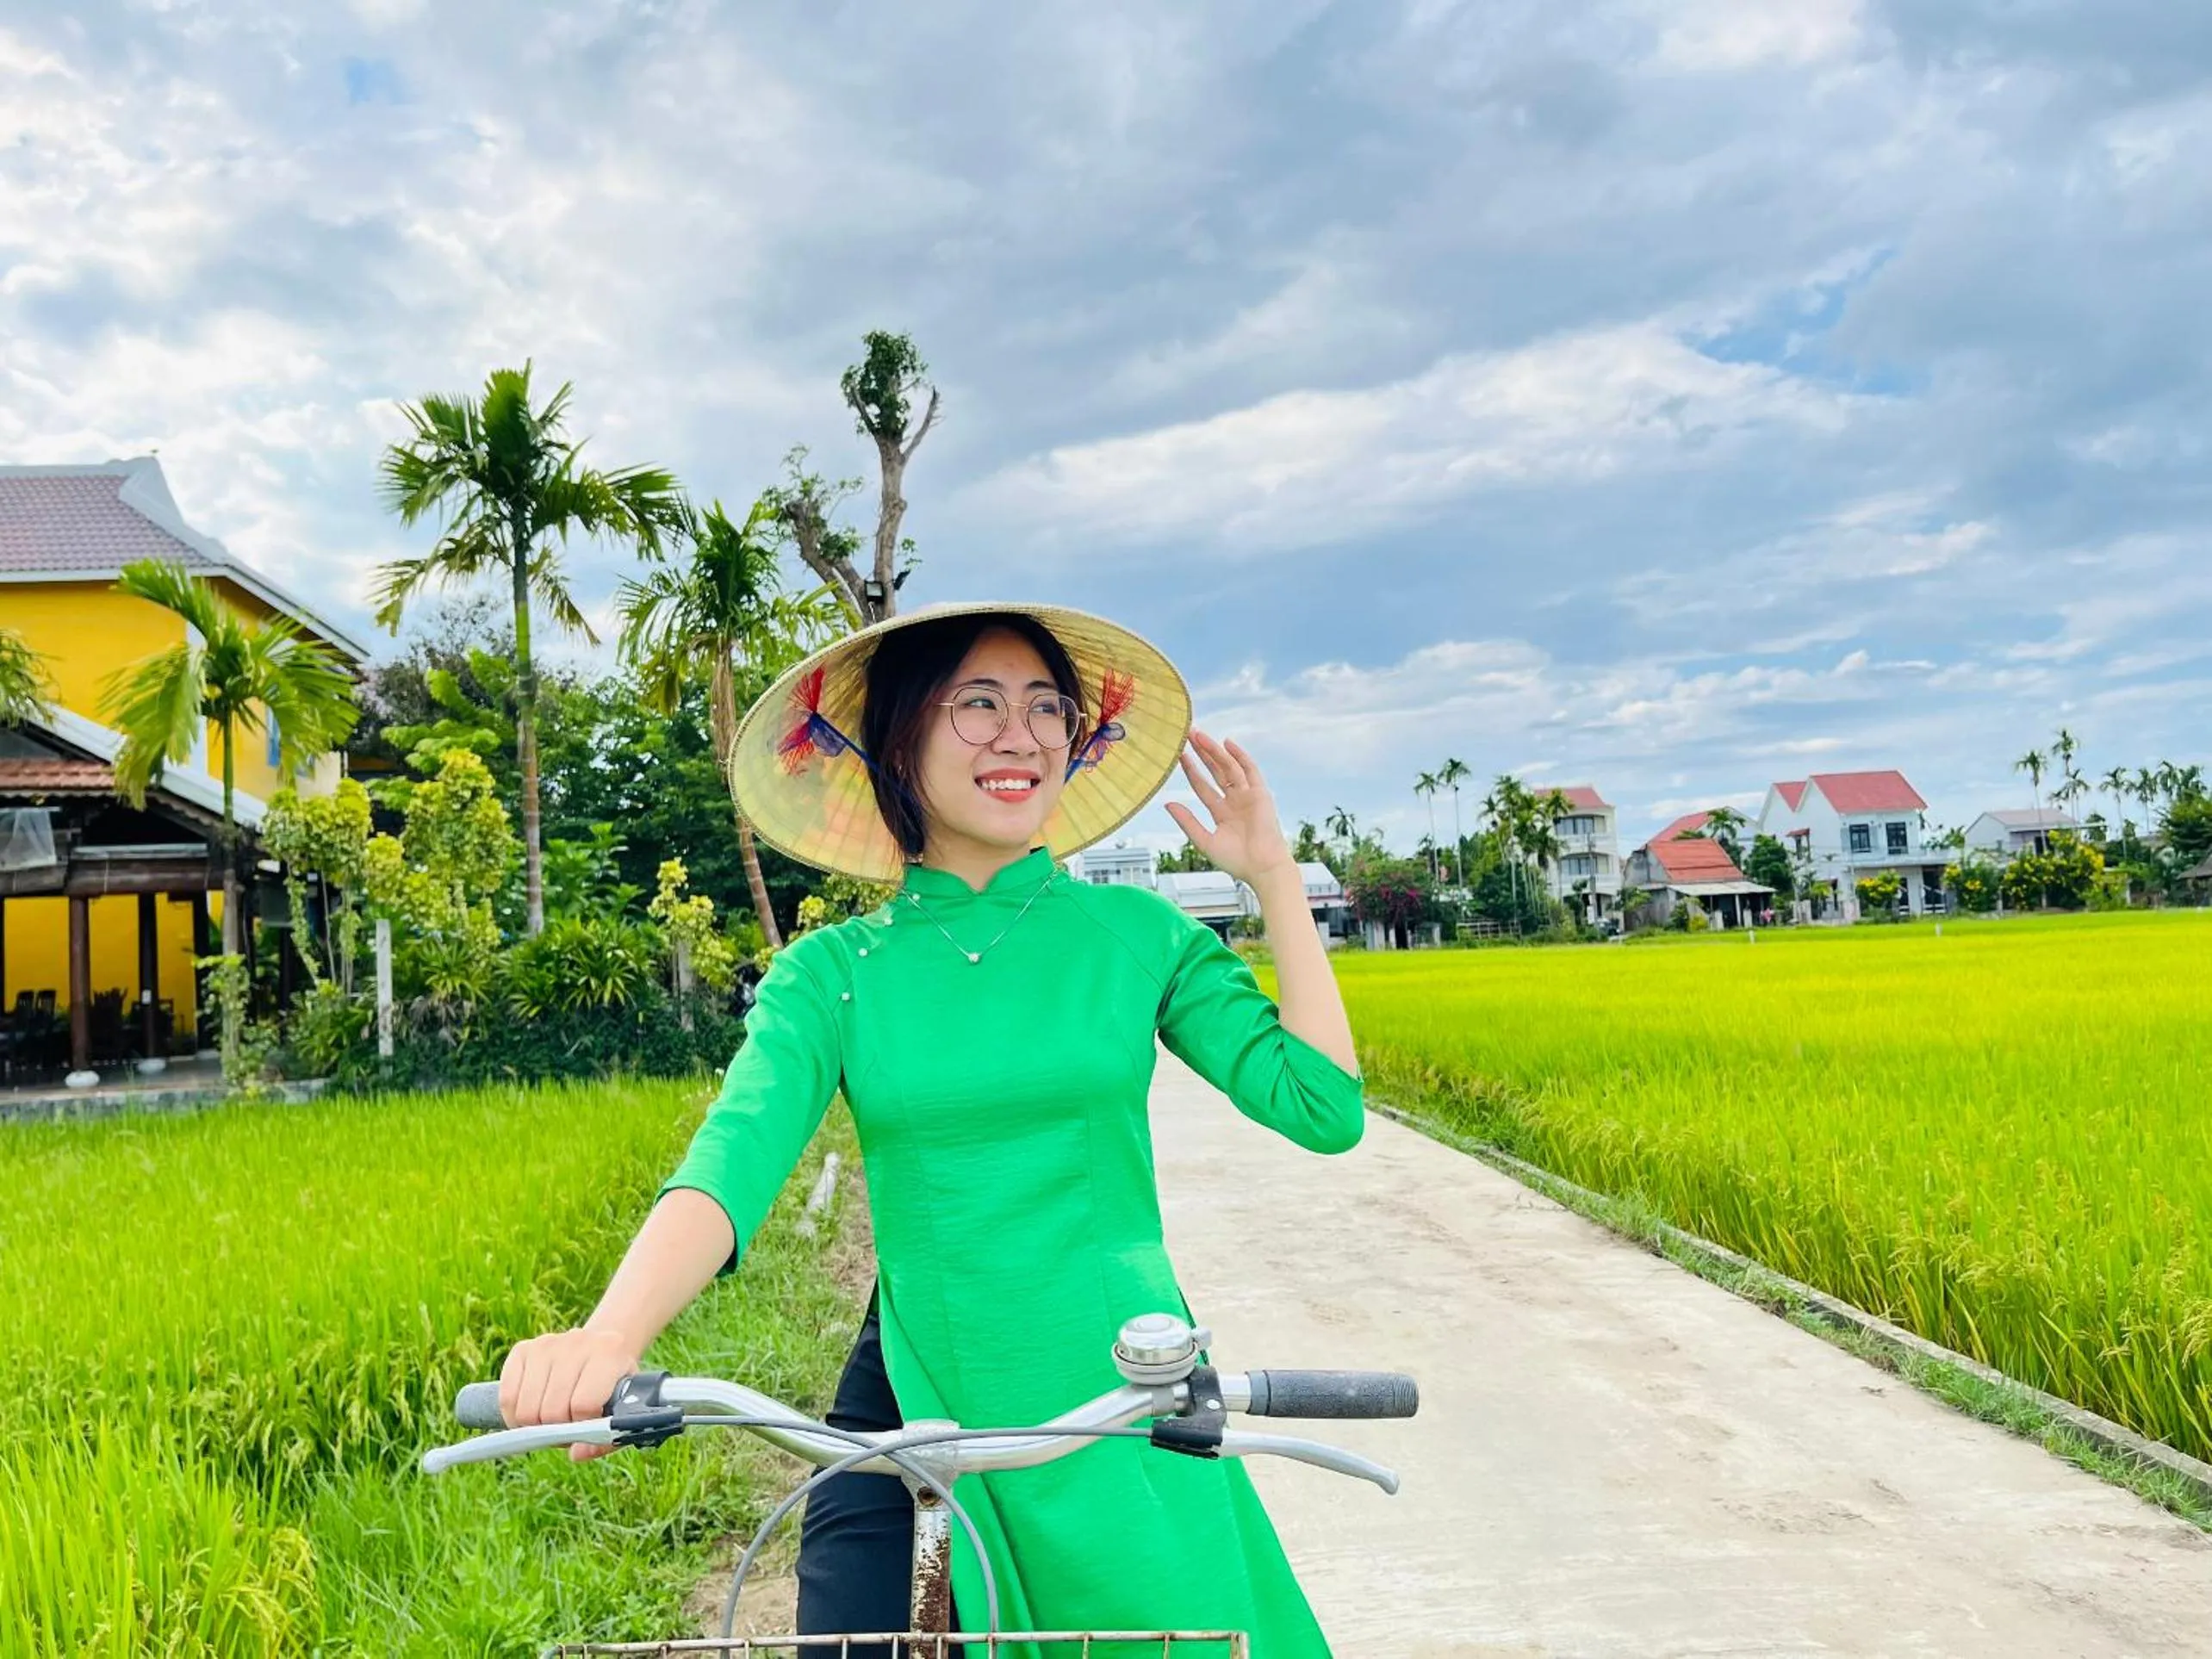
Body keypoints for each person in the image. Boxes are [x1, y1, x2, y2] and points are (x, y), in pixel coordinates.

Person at [496, 601, 1366, 1654]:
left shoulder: (1137, 937)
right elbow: (731, 1162)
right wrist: (610, 1334)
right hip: (919, 1394)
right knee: (849, 1625)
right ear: (899, 742)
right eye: (979, 704)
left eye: (1048, 708)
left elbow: (1322, 1109)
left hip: (1119, 1395)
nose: (1023, 735)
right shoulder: (833, 976)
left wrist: (1275, 878)